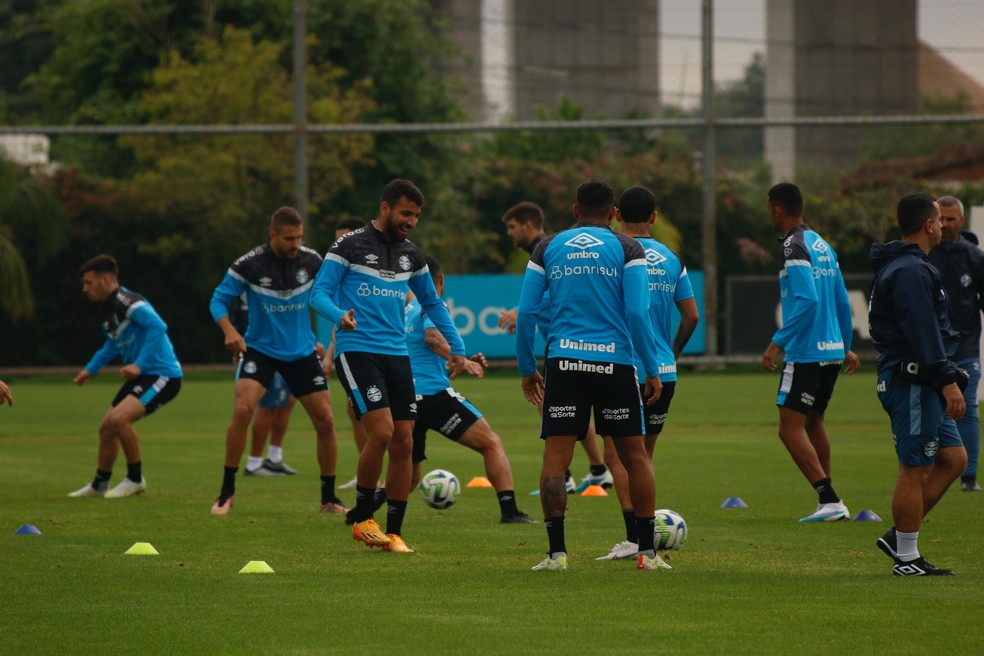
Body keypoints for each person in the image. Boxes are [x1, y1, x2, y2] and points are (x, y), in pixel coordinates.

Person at [310, 179, 466, 554]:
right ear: (385, 208)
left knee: (405, 441)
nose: (411, 221)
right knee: (380, 432)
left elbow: (433, 303)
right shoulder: (348, 246)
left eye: (416, 216)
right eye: (405, 213)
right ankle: (364, 520)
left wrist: (457, 348)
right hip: (357, 350)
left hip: (397, 356)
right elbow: (319, 294)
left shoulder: (412, 255)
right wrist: (338, 315)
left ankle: (394, 533)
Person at [517, 179, 665, 572]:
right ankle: (647, 554)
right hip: (615, 365)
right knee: (636, 457)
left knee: (555, 458)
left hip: (564, 363)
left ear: (574, 210)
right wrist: (650, 368)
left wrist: (526, 369)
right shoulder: (628, 247)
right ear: (614, 213)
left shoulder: (547, 247)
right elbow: (637, 314)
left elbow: (528, 313)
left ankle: (556, 554)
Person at [207, 206, 345, 515]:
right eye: (288, 238)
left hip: (302, 354)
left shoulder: (312, 261)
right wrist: (229, 330)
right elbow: (218, 300)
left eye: (298, 238)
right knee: (243, 410)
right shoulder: (249, 264)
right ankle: (226, 492)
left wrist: (329, 330)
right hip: (260, 351)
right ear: (273, 235)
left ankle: (329, 498)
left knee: (326, 420)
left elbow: (328, 295)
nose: (295, 244)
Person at [597, 186, 700, 561]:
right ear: (654, 217)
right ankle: (645, 541)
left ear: (618, 214)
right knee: (644, 458)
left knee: (618, 455)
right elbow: (691, 316)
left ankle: (634, 539)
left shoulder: (614, 253)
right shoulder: (672, 258)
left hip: (625, 369)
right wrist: (669, 355)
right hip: (664, 372)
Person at [869, 192, 968, 576]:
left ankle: (899, 537)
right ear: (928, 224)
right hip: (910, 378)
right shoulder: (910, 270)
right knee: (914, 468)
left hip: (921, 376)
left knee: (953, 458)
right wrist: (947, 380)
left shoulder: (909, 265)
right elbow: (922, 331)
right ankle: (906, 558)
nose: (943, 226)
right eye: (939, 221)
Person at [407, 255, 536, 525]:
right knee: (491, 444)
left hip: (408, 400)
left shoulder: (406, 311)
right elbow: (432, 338)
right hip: (434, 398)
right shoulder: (433, 304)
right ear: (440, 281)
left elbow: (419, 358)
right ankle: (510, 511)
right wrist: (462, 360)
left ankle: (364, 509)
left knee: (408, 477)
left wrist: (456, 362)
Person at [760, 183, 860, 523]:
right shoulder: (821, 243)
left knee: (789, 428)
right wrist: (844, 346)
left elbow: (808, 299)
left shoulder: (793, 245)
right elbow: (842, 301)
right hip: (831, 350)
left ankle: (829, 498)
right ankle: (827, 502)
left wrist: (778, 342)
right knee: (814, 421)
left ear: (776, 208)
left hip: (806, 352)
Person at [498, 200, 612, 493]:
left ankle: (566, 474)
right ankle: (598, 469)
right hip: (566, 342)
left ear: (528, 224)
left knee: (551, 408)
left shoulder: (548, 248)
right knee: (573, 410)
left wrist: (520, 311)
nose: (509, 233)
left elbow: (557, 292)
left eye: (512, 227)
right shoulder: (549, 248)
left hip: (565, 345)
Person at [69, 254, 183, 498]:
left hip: (162, 374)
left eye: (89, 283)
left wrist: (139, 365)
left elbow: (158, 326)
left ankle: (135, 479)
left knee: (119, 420)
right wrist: (89, 370)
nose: (85, 289)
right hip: (143, 376)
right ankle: (100, 485)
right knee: (106, 428)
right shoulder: (108, 310)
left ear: (106, 279)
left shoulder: (126, 300)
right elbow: (111, 345)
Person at [928, 195, 984, 492]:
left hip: (965, 348)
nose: (946, 224)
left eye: (951, 219)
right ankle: (928, 466)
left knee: (967, 408)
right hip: (931, 351)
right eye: (942, 219)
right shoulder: (924, 255)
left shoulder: (975, 257)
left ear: (961, 221)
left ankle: (969, 476)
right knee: (929, 408)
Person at [226, 291, 301, 477]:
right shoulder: (254, 286)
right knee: (267, 406)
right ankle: (254, 463)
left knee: (288, 400)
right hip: (265, 351)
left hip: (287, 349)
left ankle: (274, 458)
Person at [328, 216, 373, 490]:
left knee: (379, 416)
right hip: (354, 350)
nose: (340, 243)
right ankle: (366, 470)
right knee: (353, 408)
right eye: (337, 238)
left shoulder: (375, 267)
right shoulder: (341, 274)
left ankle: (377, 472)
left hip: (381, 351)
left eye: (345, 237)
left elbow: (409, 299)